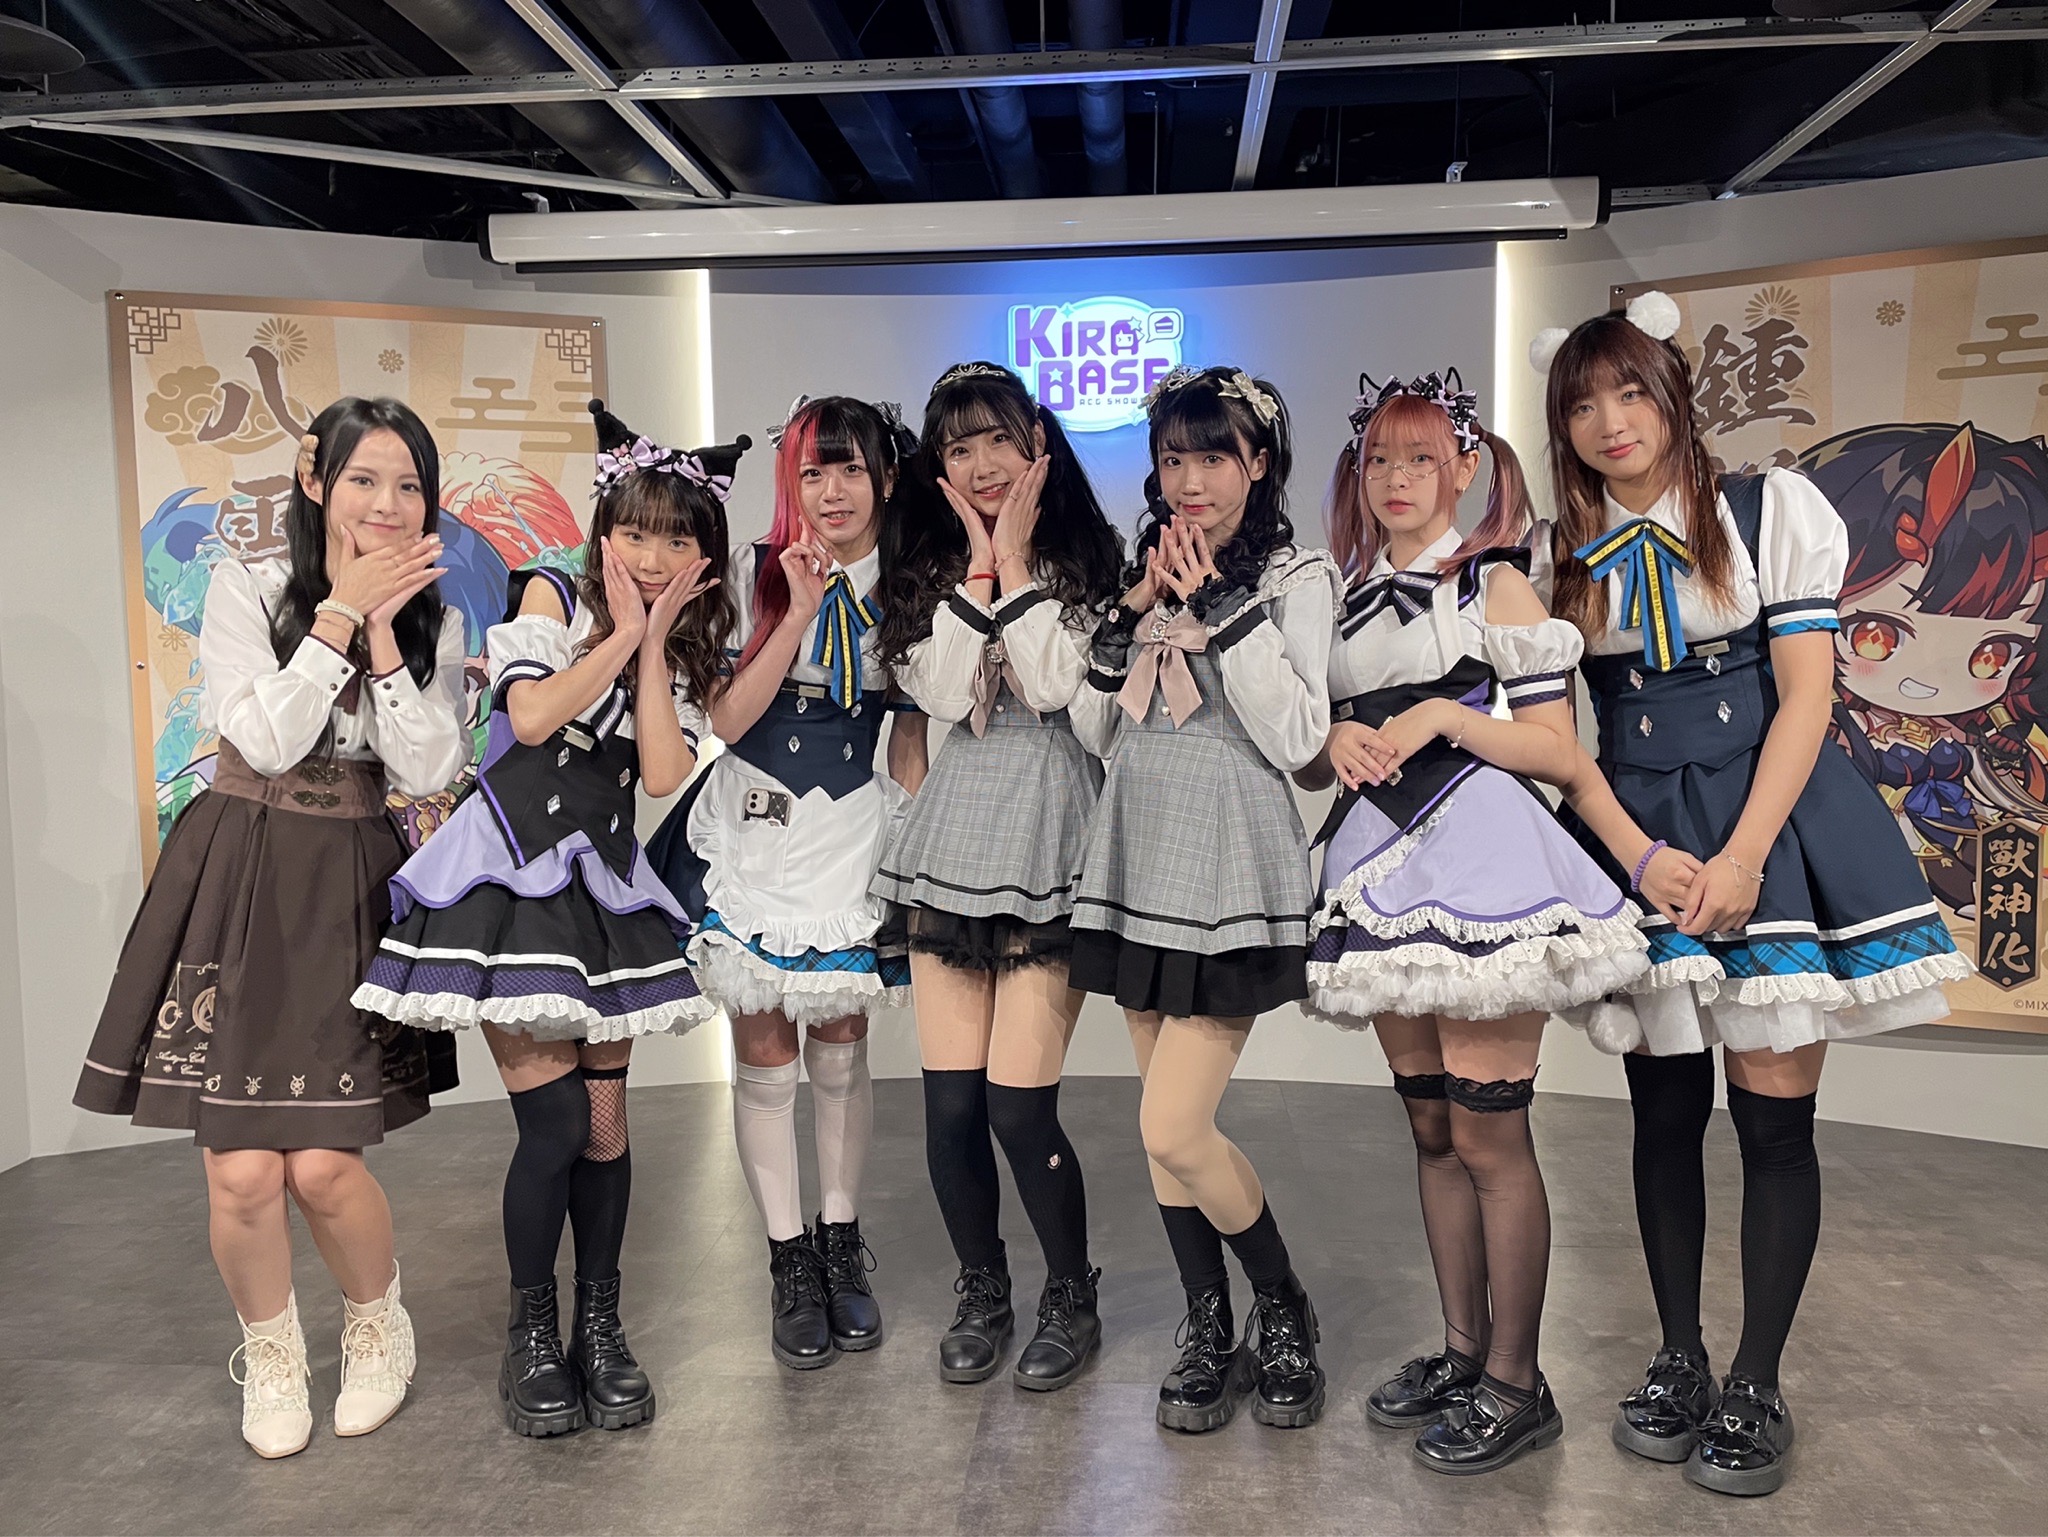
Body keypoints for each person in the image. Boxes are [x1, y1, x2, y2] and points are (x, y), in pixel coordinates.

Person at [1536, 295, 1971, 1495]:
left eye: (1630, 391)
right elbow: (1561, 740)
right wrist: (1637, 857)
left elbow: (1806, 697)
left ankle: (1756, 1379)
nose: (1609, 421)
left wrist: (1739, 858)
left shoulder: (1770, 510)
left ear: (1672, 393)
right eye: (1582, 402)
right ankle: (1677, 1357)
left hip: (1764, 822)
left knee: (1772, 1118)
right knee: (1662, 1113)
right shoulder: (1552, 551)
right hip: (1640, 833)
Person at [76, 397, 467, 1458]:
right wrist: (337, 614)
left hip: (347, 882)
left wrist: (383, 632)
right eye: (363, 480)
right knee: (243, 1168)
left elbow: (430, 766)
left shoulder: (435, 619)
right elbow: (264, 735)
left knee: (325, 1166)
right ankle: (274, 1351)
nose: (387, 504)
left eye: (408, 485)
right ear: (314, 481)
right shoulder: (247, 585)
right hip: (242, 871)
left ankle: (378, 1327)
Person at [355, 401, 739, 1437]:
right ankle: (531, 1331)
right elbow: (528, 717)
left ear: (702, 556)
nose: (651, 556)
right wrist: (622, 637)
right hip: (510, 877)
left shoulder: (683, 647)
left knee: (606, 1125)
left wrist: (652, 647)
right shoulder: (549, 595)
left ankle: (598, 1327)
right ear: (602, 529)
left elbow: (662, 771)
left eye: (676, 539)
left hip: (603, 885)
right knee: (557, 1123)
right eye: (635, 531)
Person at [1301, 369, 1650, 1472]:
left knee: (1491, 1135)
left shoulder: (1491, 583)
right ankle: (1462, 1351)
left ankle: (1516, 1379)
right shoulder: (1339, 595)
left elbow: (1555, 750)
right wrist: (1330, 741)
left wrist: (1446, 716)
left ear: (1464, 468)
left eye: (1420, 457)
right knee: (1430, 1130)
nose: (1397, 478)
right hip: (1376, 865)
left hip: (1482, 860)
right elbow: (1309, 739)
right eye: (1379, 459)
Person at [1069, 365, 1341, 1431]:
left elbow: (1299, 736)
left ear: (1258, 463)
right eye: (1173, 458)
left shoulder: (1295, 575)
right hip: (1137, 851)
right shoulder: (1145, 571)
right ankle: (1206, 1318)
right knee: (1161, 1133)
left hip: (1228, 862)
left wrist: (1220, 605)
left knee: (1174, 1125)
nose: (1189, 479)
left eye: (1214, 456)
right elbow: (1095, 730)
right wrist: (1132, 610)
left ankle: (1281, 1302)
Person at [647, 395, 926, 1370]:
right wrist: (798, 610)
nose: (832, 491)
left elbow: (912, 728)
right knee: (764, 1051)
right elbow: (725, 719)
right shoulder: (751, 571)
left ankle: (842, 1240)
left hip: (851, 827)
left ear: (884, 477)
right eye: (813, 472)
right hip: (754, 824)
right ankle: (787, 1257)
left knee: (841, 1048)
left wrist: (913, 839)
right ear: (789, 482)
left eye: (850, 469)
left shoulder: (912, 580)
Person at [870, 361, 1125, 1390]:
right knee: (949, 1110)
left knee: (1020, 1108)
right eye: (958, 447)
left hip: (1050, 828)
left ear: (1036, 446)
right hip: (954, 833)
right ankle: (983, 1286)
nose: (980, 464)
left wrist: (1014, 561)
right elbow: (937, 688)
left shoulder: (1086, 563)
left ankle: (1070, 1290)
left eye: (996, 442)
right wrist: (976, 567)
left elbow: (1061, 689)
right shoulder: (923, 571)